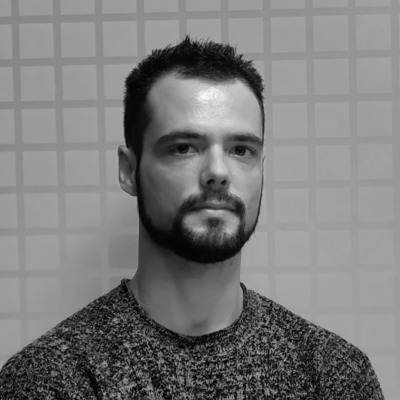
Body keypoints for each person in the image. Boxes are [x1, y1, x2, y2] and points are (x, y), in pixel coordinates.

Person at [0, 36, 384, 399]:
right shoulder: (47, 379)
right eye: (184, 147)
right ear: (129, 170)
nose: (218, 172)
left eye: (241, 150)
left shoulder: (333, 374)